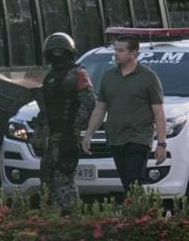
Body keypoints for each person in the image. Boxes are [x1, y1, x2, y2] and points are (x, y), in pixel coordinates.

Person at [82, 35, 166, 191]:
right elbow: (100, 108)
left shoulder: (148, 77)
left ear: (134, 53)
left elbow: (158, 112)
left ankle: (138, 213)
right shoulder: (108, 77)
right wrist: (88, 134)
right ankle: (136, 212)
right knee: (127, 182)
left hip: (139, 137)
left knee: (133, 179)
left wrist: (161, 143)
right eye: (115, 50)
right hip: (116, 138)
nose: (116, 54)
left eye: (121, 50)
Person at [33, 33, 96, 215]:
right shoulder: (51, 76)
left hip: (65, 138)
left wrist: (74, 129)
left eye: (60, 52)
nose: (57, 56)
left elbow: (89, 102)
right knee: (47, 182)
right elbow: (46, 108)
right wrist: (39, 131)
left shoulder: (78, 74)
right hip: (51, 138)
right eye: (54, 53)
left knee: (64, 180)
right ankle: (55, 222)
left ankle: (73, 222)